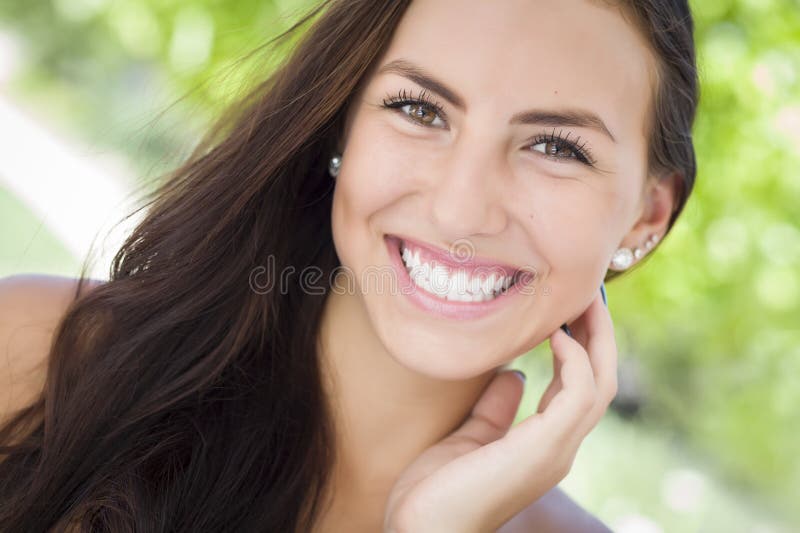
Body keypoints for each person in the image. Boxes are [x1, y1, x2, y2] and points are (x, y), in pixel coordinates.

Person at [0, 0, 699, 531]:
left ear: (647, 216)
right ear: (341, 124)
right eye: (419, 109)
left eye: (556, 147)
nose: (459, 211)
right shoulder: (36, 357)